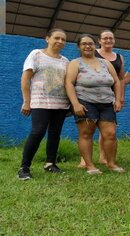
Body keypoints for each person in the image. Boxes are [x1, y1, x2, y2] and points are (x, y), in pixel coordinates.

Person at [65, 34, 124, 174]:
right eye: (84, 44)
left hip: (106, 103)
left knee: (110, 134)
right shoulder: (75, 63)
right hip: (85, 102)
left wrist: (117, 99)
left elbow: (116, 81)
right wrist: (75, 104)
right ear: (79, 46)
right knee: (86, 133)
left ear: (95, 45)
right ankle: (90, 165)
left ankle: (111, 164)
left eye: (90, 43)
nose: (87, 46)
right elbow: (69, 83)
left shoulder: (105, 63)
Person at [18, 28, 70, 180]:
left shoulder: (65, 61)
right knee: (38, 132)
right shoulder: (36, 54)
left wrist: (71, 104)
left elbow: (67, 83)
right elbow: (25, 79)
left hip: (60, 104)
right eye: (57, 38)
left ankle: (50, 163)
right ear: (47, 38)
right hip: (40, 102)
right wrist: (26, 101)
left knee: (55, 134)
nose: (60, 41)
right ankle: (24, 167)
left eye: (63, 39)